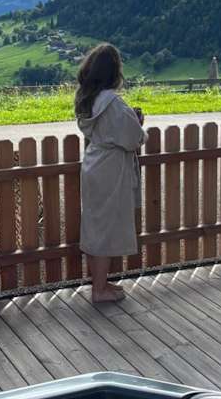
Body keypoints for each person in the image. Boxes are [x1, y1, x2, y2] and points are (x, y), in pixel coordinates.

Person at [75, 44, 147, 303]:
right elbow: (133, 138)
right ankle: (99, 290)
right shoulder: (113, 103)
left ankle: (100, 283)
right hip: (111, 168)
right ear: (113, 72)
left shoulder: (87, 98)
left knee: (95, 225)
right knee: (105, 228)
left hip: (93, 163)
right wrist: (139, 123)